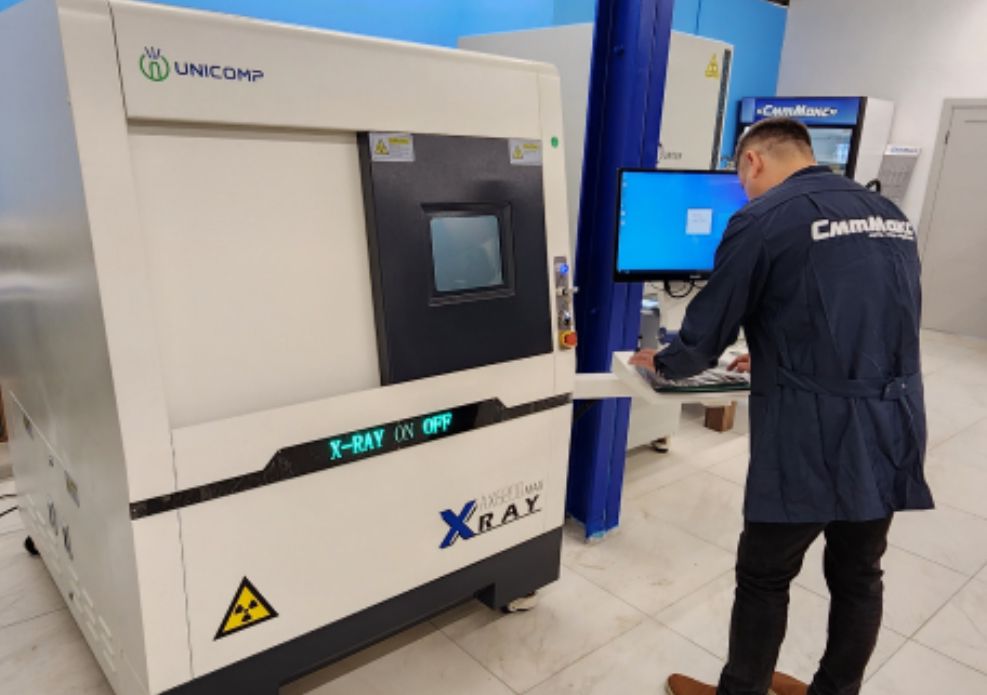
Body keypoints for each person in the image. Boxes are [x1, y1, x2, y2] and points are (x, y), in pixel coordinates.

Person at [630, 117, 934, 695]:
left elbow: (706, 334)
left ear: (753, 161)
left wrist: (665, 363)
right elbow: (874, 314)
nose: (744, 190)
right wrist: (776, 349)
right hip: (892, 421)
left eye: (740, 178)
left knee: (765, 575)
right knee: (860, 575)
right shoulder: (889, 215)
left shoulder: (762, 218)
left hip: (813, 431)